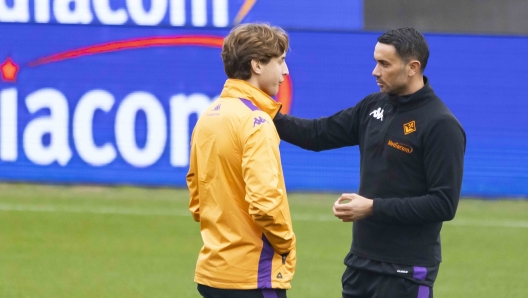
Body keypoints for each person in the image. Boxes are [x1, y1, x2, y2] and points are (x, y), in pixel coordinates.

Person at [273, 27, 466, 298]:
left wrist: (373, 208)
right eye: (376, 61)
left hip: (406, 271)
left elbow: (443, 204)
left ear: (413, 67)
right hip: (360, 263)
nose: (375, 71)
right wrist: (263, 111)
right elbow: (316, 135)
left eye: (384, 64)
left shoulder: (441, 125)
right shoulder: (373, 106)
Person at [186, 23, 296, 298]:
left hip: (213, 274)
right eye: (280, 61)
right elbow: (265, 204)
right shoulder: (257, 122)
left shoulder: (209, 116)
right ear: (257, 64)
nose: (285, 72)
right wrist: (286, 244)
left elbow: (197, 198)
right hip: (251, 278)